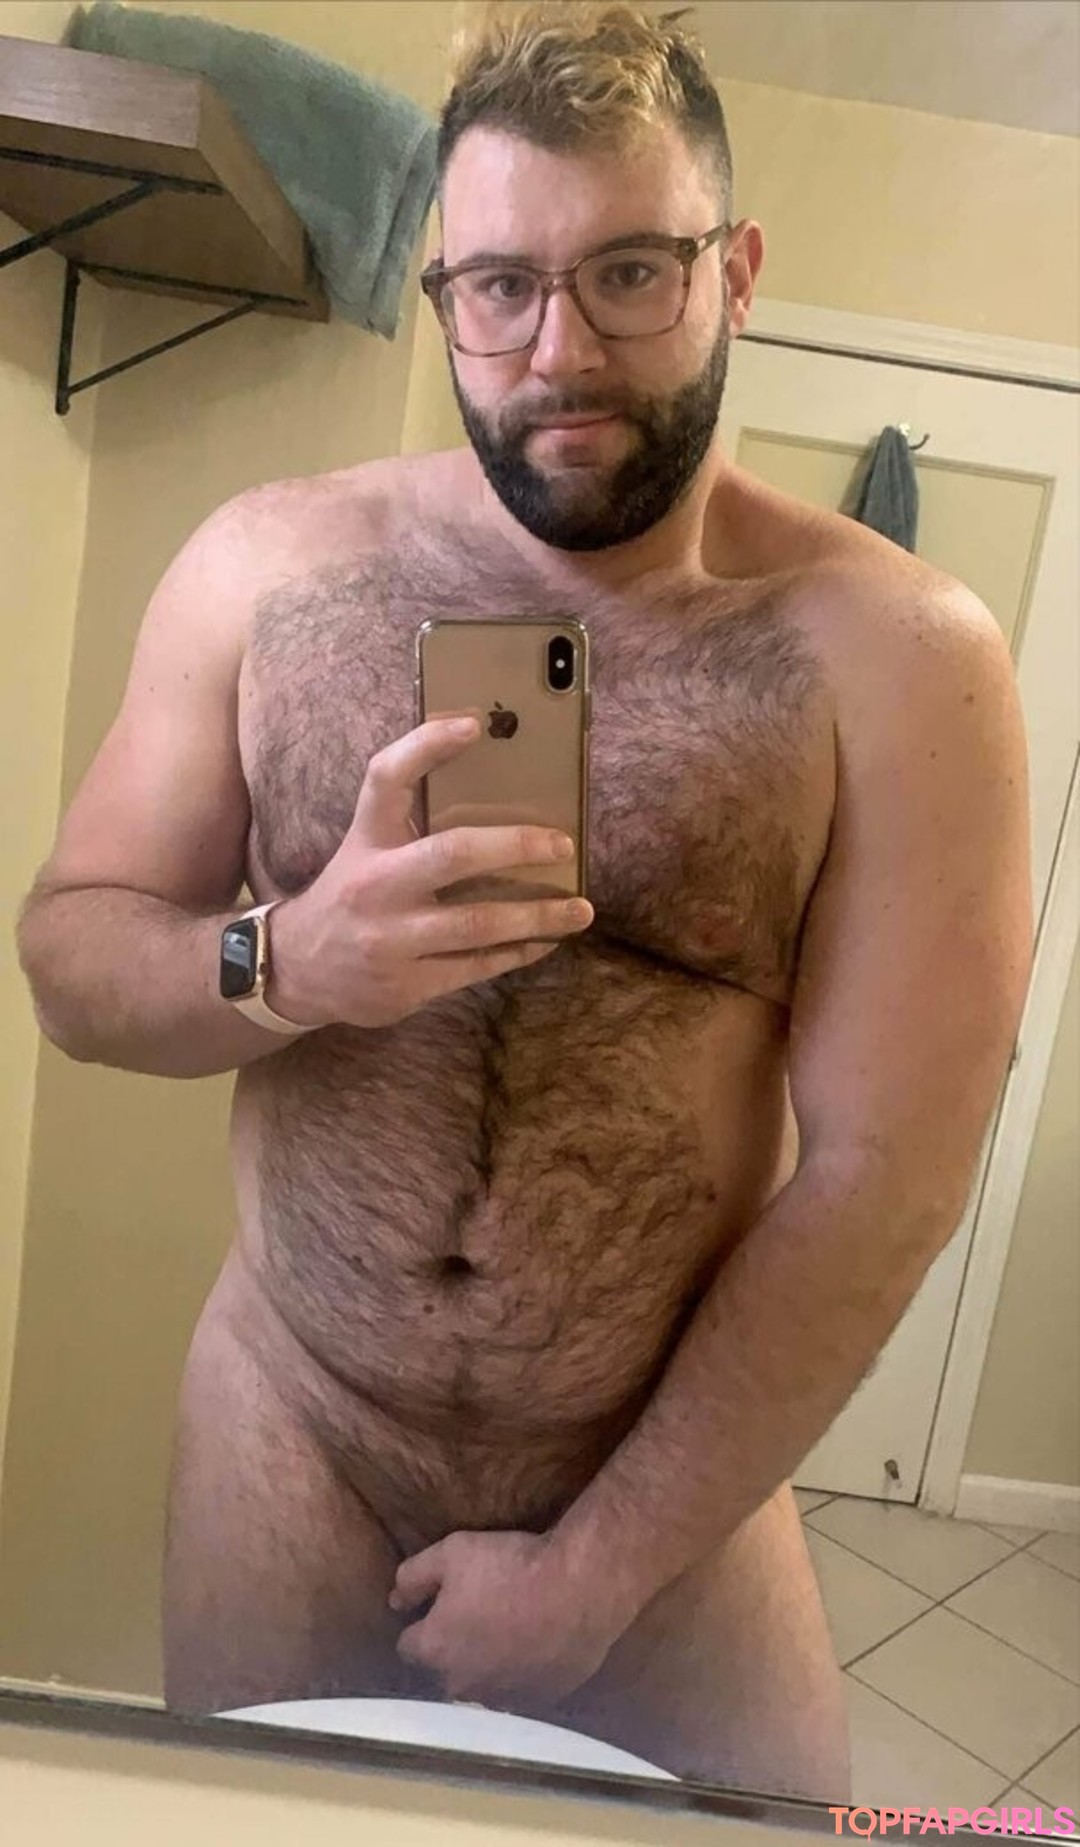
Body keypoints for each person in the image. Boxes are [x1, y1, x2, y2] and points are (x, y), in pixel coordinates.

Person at [16, 1, 1032, 1798]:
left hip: (661, 1485)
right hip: (295, 1429)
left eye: (630, 271)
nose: (561, 352)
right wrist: (288, 960)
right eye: (498, 285)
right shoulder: (267, 566)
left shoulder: (897, 657)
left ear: (735, 274)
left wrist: (599, 1570)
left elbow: (889, 1176)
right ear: (443, 303)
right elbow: (74, 961)